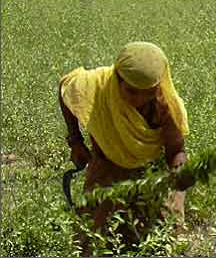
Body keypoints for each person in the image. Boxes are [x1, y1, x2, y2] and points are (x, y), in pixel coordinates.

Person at [58, 41, 193, 256]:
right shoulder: (97, 85)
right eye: (131, 91)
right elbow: (65, 88)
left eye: (147, 92)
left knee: (164, 239)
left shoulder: (166, 107)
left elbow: (176, 151)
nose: (139, 99)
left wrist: (180, 172)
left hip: (149, 173)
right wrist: (75, 141)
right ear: (117, 79)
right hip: (106, 168)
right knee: (92, 242)